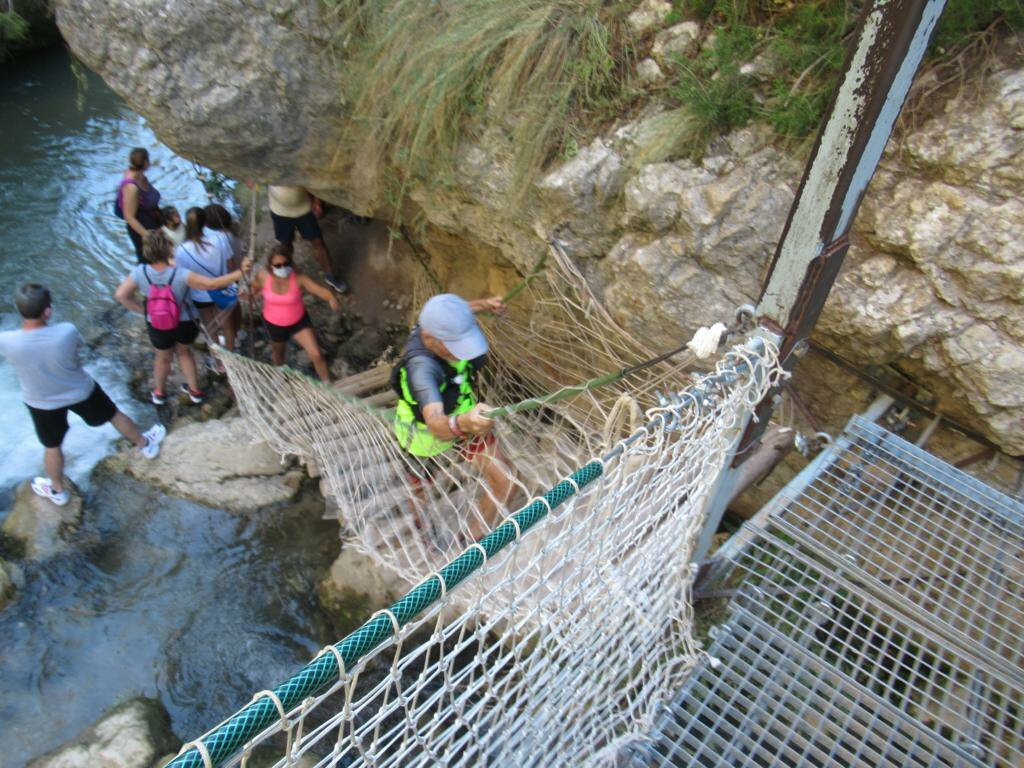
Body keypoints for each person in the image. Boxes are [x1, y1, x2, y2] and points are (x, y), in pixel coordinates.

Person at [0, 284, 166, 506]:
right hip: (79, 390)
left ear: (20, 311)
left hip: (40, 402)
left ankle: (57, 490)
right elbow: (78, 350)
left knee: (52, 445)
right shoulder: (66, 331)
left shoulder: (6, 340)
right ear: (47, 311)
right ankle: (145, 445)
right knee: (113, 415)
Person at [391, 293, 514, 540]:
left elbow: (455, 311)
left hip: (466, 420)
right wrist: (463, 422)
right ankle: (420, 522)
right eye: (455, 345)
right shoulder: (421, 370)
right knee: (420, 486)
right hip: (424, 437)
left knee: (506, 480)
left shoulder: (431, 323)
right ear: (430, 338)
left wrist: (484, 304)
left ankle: (470, 539)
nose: (464, 353)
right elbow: (435, 422)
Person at [114, 230, 251, 405]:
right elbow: (212, 284)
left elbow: (121, 296)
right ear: (167, 249)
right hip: (185, 321)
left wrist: (145, 312)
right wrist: (240, 272)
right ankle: (195, 391)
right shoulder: (180, 273)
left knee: (162, 358)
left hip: (157, 323)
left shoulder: (140, 272)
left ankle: (159, 393)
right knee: (184, 352)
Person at [251, 243, 339, 382]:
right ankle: (280, 373)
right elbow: (253, 288)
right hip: (274, 323)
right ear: (271, 266)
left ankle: (327, 384)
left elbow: (317, 290)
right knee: (278, 354)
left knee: (316, 354)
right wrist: (251, 294)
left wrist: (331, 297)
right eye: (278, 266)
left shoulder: (299, 278)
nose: (282, 268)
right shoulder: (263, 276)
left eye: (286, 264)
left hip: (298, 321)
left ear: (290, 263)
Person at [173, 207, 240, 354]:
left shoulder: (182, 250)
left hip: (200, 295)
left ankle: (217, 359)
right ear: (205, 223)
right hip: (223, 289)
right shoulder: (220, 239)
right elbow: (231, 265)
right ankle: (231, 355)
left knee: (210, 327)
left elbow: (182, 277)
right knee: (227, 325)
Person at [267, 185, 348, 293]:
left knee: (318, 241)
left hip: (304, 210)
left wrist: (317, 202)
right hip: (280, 212)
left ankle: (330, 276)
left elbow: (312, 181)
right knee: (286, 245)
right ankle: (288, 276)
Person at [116, 147, 162, 263]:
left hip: (152, 220)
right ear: (146, 163)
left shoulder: (140, 176)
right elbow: (129, 216)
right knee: (148, 261)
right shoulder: (131, 187)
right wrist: (147, 236)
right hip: (142, 229)